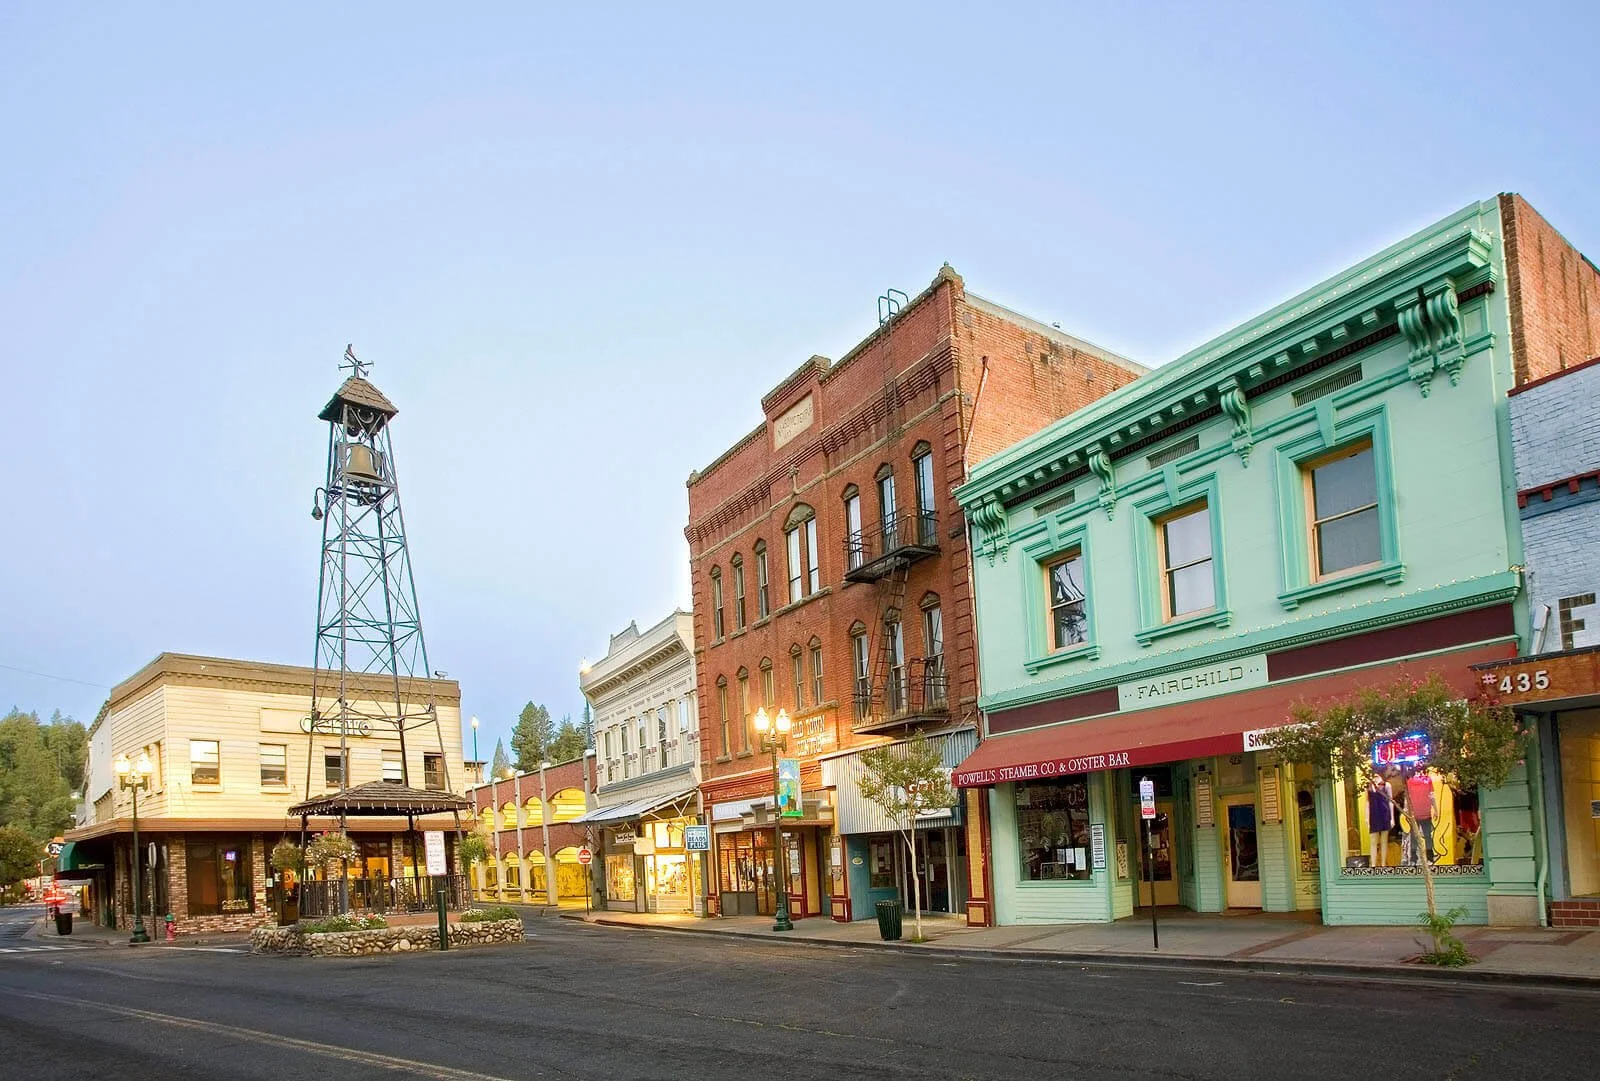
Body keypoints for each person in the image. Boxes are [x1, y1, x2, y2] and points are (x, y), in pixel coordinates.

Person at [1406, 766, 1438, 863]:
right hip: (1417, 813)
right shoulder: (1411, 781)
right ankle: (1418, 855)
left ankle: (1425, 855)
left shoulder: (1426, 780)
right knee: (1419, 835)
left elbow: (1431, 796)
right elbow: (1408, 797)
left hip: (1422, 813)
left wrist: (1435, 809)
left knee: (1422, 835)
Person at [1366, 773, 1394, 868]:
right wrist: (1367, 817)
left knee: (1384, 840)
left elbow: (1391, 801)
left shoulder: (1386, 785)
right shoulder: (1369, 785)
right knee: (1373, 840)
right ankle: (1373, 865)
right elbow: (1368, 803)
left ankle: (1383, 864)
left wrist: (1392, 818)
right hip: (1374, 815)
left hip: (1384, 813)